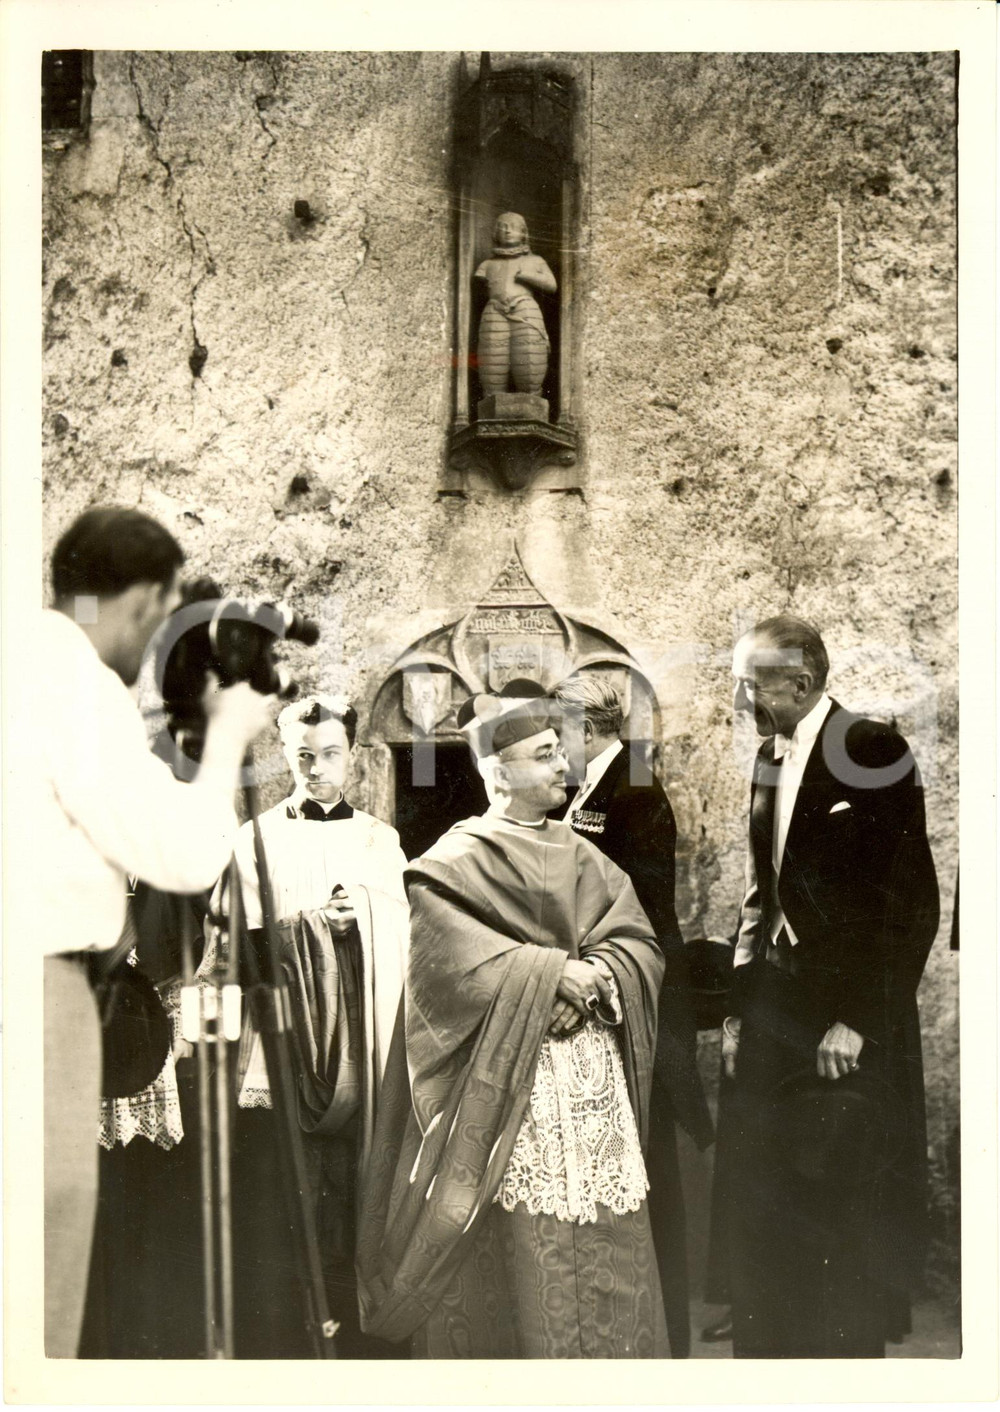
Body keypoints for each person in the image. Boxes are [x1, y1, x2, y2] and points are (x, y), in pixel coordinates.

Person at [357, 685, 670, 1358]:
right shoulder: (453, 862)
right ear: (497, 771)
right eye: (545, 755)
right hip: (513, 1088)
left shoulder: (586, 853)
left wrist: (600, 976)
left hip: (586, 1080)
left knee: (606, 1229)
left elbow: (638, 941)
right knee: (527, 1245)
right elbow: (441, 967)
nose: (565, 768)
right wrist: (551, 973)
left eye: (563, 752)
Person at [35, 505, 273, 1357]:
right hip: (34, 993)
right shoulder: (71, 680)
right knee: (40, 1258)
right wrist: (228, 743)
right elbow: (181, 854)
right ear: (142, 598)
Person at [724, 614, 939, 1358]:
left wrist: (856, 1021)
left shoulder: (873, 750)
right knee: (770, 1192)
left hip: (850, 1017)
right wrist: (737, 1007)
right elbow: (762, 890)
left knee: (842, 1197)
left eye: (751, 683)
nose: (740, 697)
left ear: (802, 682)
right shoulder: (766, 756)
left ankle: (843, 1367)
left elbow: (910, 903)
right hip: (777, 1007)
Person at [205, 693, 409, 1357]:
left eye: (330, 755)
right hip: (285, 1041)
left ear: (352, 756)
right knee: (292, 1187)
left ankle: (362, 1337)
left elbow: (412, 937)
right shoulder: (255, 841)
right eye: (303, 757)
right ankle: (290, 1337)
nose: (317, 769)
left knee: (359, 1187)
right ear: (284, 757)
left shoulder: (380, 841)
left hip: (364, 1036)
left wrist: (365, 923)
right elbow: (234, 947)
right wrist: (318, 928)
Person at [554, 674, 712, 1358]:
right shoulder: (591, 786)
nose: (553, 749)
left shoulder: (637, 786)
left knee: (648, 1168)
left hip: (636, 1001)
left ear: (588, 732)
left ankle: (665, 1340)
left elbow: (644, 909)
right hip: (605, 992)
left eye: (557, 734)